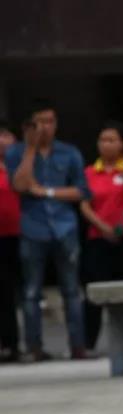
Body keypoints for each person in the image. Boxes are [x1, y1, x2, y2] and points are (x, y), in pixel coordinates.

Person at [3, 101, 91, 361]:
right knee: (31, 292)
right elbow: (20, 186)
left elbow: (82, 191)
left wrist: (47, 192)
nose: (46, 127)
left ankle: (78, 346)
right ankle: (34, 348)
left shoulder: (69, 152)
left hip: (65, 227)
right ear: (30, 126)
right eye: (40, 122)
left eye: (51, 121)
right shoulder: (15, 152)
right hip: (33, 228)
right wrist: (30, 149)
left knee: (71, 290)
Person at [80, 122, 123, 351]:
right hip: (97, 238)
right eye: (103, 140)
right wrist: (103, 226)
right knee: (94, 292)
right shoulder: (89, 172)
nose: (107, 144)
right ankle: (88, 343)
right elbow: (85, 205)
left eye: (112, 140)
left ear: (122, 144)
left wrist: (121, 226)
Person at [0, 121, 20, 362]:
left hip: (20, 236)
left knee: (15, 293)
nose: (2, 140)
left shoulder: (22, 165)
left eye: (6, 135)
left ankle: (15, 345)